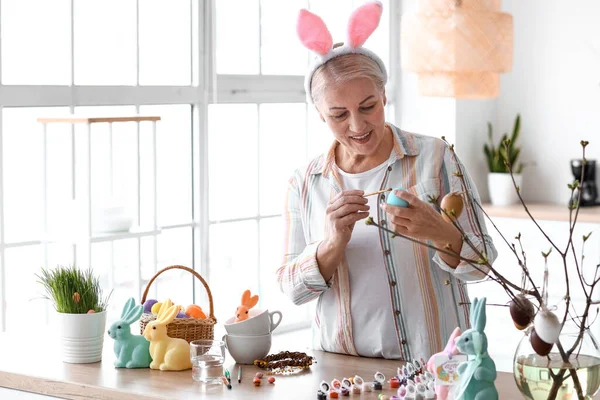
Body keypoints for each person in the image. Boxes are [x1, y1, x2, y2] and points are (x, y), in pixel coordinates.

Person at [277, 1, 497, 360]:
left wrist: (438, 231)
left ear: (383, 95)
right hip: (343, 372)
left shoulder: (437, 156)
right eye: (338, 114)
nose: (357, 126)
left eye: (368, 106)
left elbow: (483, 263)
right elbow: (291, 289)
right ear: (319, 114)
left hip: (436, 365)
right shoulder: (304, 182)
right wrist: (331, 244)